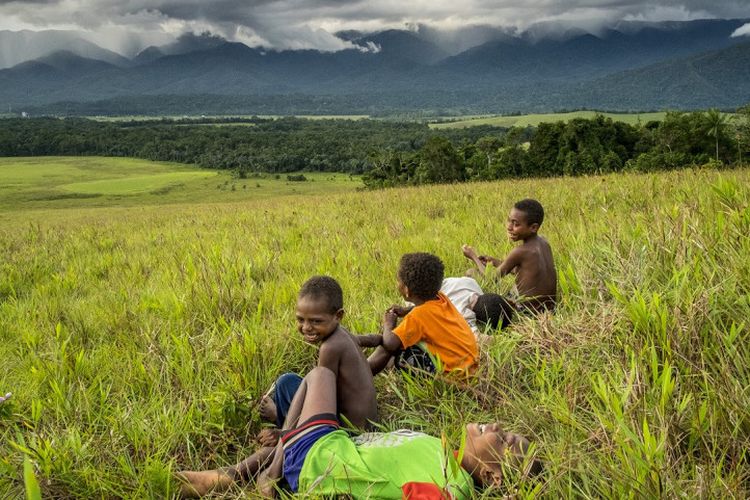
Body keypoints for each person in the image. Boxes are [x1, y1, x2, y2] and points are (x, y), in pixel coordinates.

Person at [177, 366, 541, 498]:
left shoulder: (452, 484)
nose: (497, 427)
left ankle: (265, 477)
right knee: (304, 389)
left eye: (506, 439)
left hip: (321, 459)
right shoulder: (446, 456)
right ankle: (229, 477)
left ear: (493, 477)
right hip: (331, 447)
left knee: (320, 376)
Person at [259, 276, 379, 432]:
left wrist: (283, 431)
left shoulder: (329, 348)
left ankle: (283, 425)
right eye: (301, 319)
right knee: (287, 382)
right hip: (366, 423)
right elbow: (368, 339)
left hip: (348, 431)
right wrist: (382, 339)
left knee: (287, 383)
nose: (306, 327)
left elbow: (320, 400)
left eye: (316, 321)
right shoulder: (343, 334)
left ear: (338, 316)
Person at [367, 253, 479, 376]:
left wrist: (388, 324)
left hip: (453, 377)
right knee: (404, 339)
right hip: (469, 368)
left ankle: (363, 372)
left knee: (394, 348)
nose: (397, 284)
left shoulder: (417, 316)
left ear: (406, 290)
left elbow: (390, 343)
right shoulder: (440, 298)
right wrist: (405, 310)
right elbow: (425, 309)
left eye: (398, 281)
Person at [463, 198, 557, 319]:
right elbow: (522, 271)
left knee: (470, 273)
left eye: (516, 224)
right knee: (512, 288)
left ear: (533, 227)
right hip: (549, 310)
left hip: (528, 313)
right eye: (509, 221)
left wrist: (473, 257)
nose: (509, 227)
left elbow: (490, 279)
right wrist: (494, 261)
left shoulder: (520, 252)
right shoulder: (544, 243)